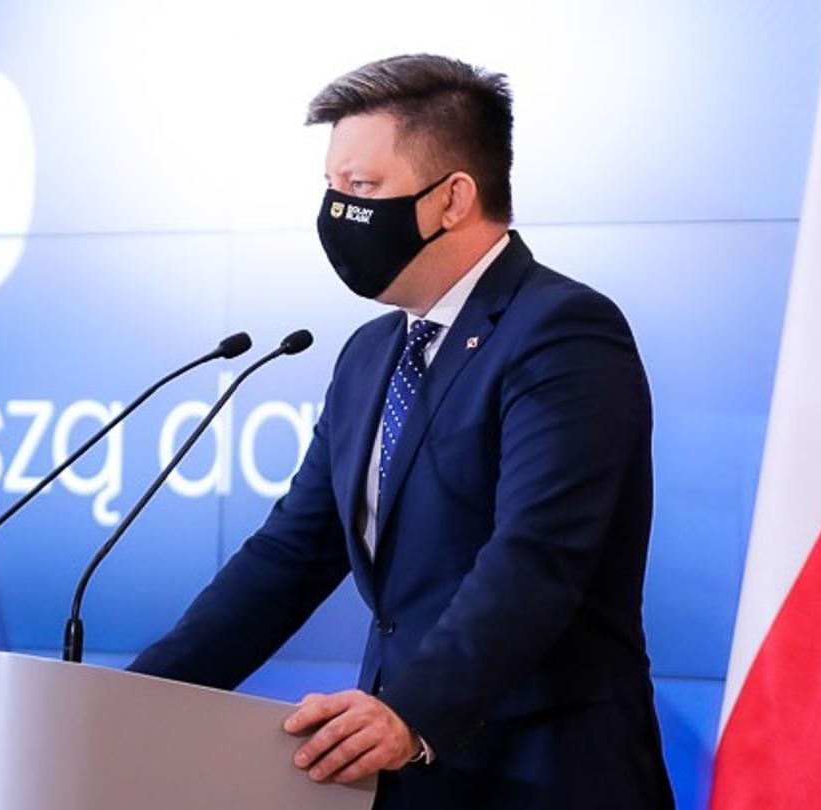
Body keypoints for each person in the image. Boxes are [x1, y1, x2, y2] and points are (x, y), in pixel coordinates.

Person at [129, 54, 674, 808]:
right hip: (402, 783)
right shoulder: (370, 354)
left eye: (361, 188)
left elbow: (537, 554)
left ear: (452, 198)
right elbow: (291, 555)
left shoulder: (563, 331)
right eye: (330, 187)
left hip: (543, 775)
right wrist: (137, 698)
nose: (337, 210)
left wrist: (413, 711)